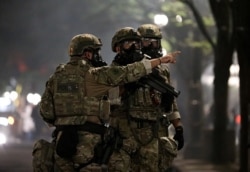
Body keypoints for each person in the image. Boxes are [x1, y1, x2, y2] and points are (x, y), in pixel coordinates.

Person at [37, 33, 179, 172]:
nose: (98, 56)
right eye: (96, 52)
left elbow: (46, 112)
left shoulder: (55, 78)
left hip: (61, 143)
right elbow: (128, 71)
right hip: (90, 145)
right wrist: (161, 60)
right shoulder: (94, 75)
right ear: (87, 54)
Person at [107, 26, 183, 172]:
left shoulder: (159, 69)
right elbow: (110, 103)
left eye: (155, 42)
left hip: (153, 133)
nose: (135, 46)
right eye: (146, 41)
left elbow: (171, 104)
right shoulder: (115, 69)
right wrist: (127, 86)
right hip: (124, 133)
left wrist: (178, 128)